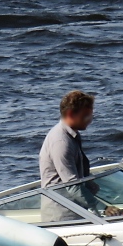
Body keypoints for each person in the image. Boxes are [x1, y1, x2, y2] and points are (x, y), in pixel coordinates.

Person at [39, 90, 95, 222]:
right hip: (62, 217)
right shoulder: (61, 142)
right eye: (86, 116)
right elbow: (72, 184)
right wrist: (101, 207)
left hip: (77, 210)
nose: (89, 121)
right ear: (70, 114)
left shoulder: (72, 135)